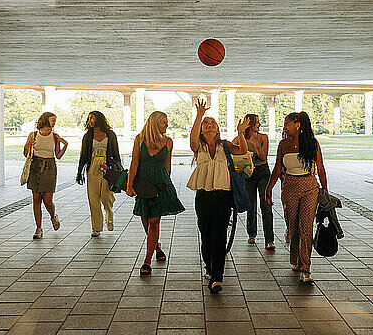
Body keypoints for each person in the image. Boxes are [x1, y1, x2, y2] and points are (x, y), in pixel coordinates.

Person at [187, 99, 248, 294]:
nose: (209, 125)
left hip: (223, 196)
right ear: (202, 130)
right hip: (204, 196)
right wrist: (199, 115)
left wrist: (240, 134)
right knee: (206, 235)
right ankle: (209, 266)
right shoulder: (199, 147)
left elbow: (243, 150)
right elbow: (192, 140)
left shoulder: (224, 145)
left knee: (219, 235)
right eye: (206, 124)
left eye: (212, 123)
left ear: (218, 129)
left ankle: (217, 277)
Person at [265, 112, 327, 283]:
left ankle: (306, 268)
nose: (284, 127)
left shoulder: (312, 144)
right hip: (290, 185)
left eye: (287, 124)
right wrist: (268, 189)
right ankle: (296, 261)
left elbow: (320, 168)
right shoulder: (283, 144)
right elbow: (278, 168)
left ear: (298, 124)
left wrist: (325, 190)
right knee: (293, 227)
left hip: (309, 186)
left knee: (306, 227)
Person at [127, 111, 185, 276]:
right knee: (145, 219)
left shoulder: (168, 142)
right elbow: (134, 163)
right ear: (154, 124)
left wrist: (167, 185)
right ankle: (157, 247)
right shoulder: (140, 140)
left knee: (154, 222)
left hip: (160, 185)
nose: (167, 125)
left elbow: (168, 166)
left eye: (167, 122)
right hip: (143, 184)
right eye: (164, 122)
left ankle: (147, 260)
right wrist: (130, 185)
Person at [23, 112, 68, 240]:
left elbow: (58, 155)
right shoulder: (33, 135)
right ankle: (38, 228)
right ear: (45, 120)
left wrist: (65, 145)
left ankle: (53, 216)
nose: (54, 122)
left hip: (50, 167)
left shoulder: (54, 136)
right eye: (52, 120)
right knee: (36, 198)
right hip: (35, 166)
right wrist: (28, 145)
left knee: (47, 201)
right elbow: (26, 153)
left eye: (55, 120)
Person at [76, 111, 122, 236]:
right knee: (93, 198)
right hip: (93, 168)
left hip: (108, 168)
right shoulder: (87, 136)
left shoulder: (110, 134)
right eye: (89, 118)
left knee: (107, 197)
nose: (90, 120)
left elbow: (116, 153)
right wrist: (79, 172)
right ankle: (96, 227)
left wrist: (118, 169)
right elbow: (83, 155)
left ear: (99, 119)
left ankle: (109, 217)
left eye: (92, 118)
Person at [234, 114, 274, 250]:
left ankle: (269, 239)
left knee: (265, 205)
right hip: (248, 174)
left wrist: (257, 146)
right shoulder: (242, 139)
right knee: (250, 205)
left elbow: (263, 157)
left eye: (259, 122)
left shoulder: (263, 138)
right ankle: (252, 234)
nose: (259, 124)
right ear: (249, 124)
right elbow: (231, 149)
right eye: (256, 122)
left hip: (263, 171)